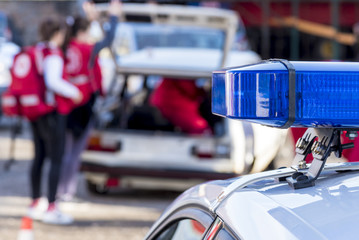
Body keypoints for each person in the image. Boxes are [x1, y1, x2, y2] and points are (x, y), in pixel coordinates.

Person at [57, 0, 121, 201]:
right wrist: (113, 17)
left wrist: (90, 18)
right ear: (83, 32)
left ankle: (59, 191)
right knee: (74, 153)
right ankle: (66, 191)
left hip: (64, 106)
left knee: (64, 151)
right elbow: (108, 40)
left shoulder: (63, 47)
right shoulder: (86, 49)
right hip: (83, 105)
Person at [27, 17, 82, 225]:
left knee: (39, 156)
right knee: (56, 158)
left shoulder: (36, 50)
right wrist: (74, 92)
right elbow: (53, 81)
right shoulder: (53, 54)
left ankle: (34, 203)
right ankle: (51, 206)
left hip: (35, 110)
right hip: (52, 112)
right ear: (58, 34)